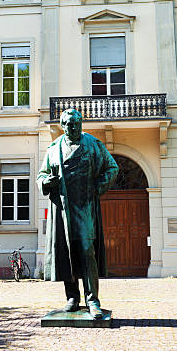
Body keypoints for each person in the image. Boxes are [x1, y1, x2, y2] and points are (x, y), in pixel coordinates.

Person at [37, 108, 118, 319]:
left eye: (76, 123)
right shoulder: (54, 149)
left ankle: (93, 300)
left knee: (86, 251)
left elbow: (112, 168)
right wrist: (46, 182)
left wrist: (96, 188)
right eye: (68, 124)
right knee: (66, 250)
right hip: (63, 209)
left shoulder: (93, 144)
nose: (73, 127)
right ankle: (72, 297)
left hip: (85, 207)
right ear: (62, 127)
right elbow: (41, 175)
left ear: (81, 124)